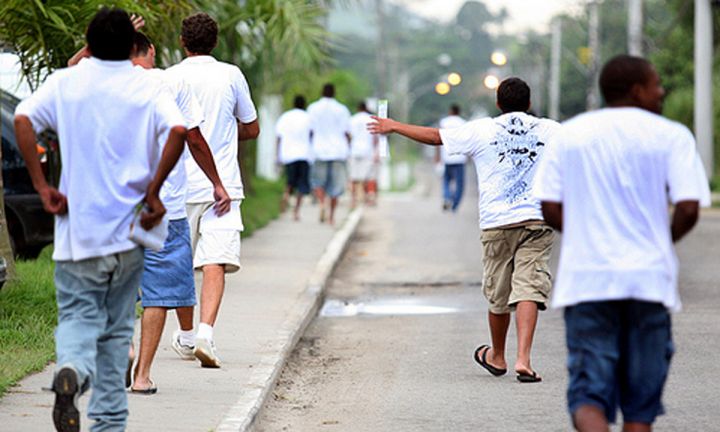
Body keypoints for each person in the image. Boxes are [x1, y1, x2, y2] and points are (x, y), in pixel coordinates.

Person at [14, 8, 187, 431]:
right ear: (133, 47)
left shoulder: (66, 83)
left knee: (77, 317)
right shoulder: (149, 84)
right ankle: (107, 421)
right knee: (115, 331)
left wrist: (41, 186)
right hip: (130, 233)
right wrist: (153, 189)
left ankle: (71, 367)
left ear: (88, 45)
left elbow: (22, 119)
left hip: (78, 233)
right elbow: (179, 131)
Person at [534, 55, 710, 432]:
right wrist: (659, 242)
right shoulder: (672, 135)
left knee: (588, 398)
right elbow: (690, 207)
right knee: (640, 406)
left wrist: (586, 237)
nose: (661, 91)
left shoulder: (569, 134)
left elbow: (548, 206)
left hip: (588, 281)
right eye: (656, 84)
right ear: (636, 90)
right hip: (648, 281)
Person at [369, 77, 559, 383]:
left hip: (497, 222)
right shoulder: (551, 130)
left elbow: (435, 137)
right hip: (537, 220)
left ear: (498, 104)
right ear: (529, 104)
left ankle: (497, 356)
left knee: (498, 294)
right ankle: (524, 359)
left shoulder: (482, 129)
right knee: (529, 287)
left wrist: (394, 125)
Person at [127, 32, 231, 393]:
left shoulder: (104, 85)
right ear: (151, 51)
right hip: (163, 208)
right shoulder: (172, 82)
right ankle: (142, 376)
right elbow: (194, 138)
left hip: (113, 206)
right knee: (157, 293)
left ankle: (124, 346)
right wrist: (217, 182)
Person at [166, 12, 259, 368]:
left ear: (182, 42)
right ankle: (206, 333)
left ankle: (187, 336)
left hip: (179, 187)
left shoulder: (170, 77)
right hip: (224, 186)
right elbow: (251, 128)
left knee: (179, 264)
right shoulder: (231, 74)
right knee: (214, 261)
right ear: (215, 42)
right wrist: (223, 132)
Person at [307, 83, 351, 225]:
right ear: (334, 93)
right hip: (338, 151)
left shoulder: (313, 108)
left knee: (318, 182)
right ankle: (331, 216)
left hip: (319, 150)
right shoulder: (342, 109)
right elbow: (347, 132)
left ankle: (321, 203)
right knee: (335, 186)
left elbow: (310, 131)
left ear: (322, 92)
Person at [275, 95, 313, 220]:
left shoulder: (285, 117)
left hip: (288, 154)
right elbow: (312, 135)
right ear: (304, 104)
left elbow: (279, 137)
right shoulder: (308, 117)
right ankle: (296, 211)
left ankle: (286, 195)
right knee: (302, 185)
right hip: (304, 154)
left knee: (290, 181)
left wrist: (278, 155)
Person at [436, 104, 467, 212]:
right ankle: (455, 204)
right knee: (459, 183)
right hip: (460, 157)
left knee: (446, 180)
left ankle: (447, 197)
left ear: (450, 111)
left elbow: (437, 139)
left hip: (447, 157)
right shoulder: (463, 123)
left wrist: (438, 156)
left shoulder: (444, 122)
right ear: (459, 112)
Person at [348, 101, 379, 208]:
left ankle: (353, 200)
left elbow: (348, 136)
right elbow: (375, 138)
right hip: (368, 151)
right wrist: (376, 152)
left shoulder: (352, 119)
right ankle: (370, 198)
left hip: (354, 150)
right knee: (369, 177)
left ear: (358, 108)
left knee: (353, 177)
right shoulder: (371, 119)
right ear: (366, 108)